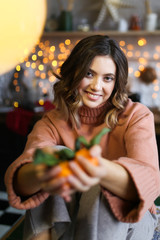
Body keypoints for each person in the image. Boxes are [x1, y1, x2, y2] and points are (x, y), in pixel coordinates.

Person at [5, 35, 160, 240]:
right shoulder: (52, 121)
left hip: (130, 224)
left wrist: (96, 168)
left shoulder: (136, 115)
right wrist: (47, 169)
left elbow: (150, 179)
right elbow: (21, 183)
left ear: (116, 82)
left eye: (107, 78)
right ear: (74, 73)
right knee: (54, 159)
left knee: (100, 187)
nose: (96, 86)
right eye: (89, 73)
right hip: (72, 221)